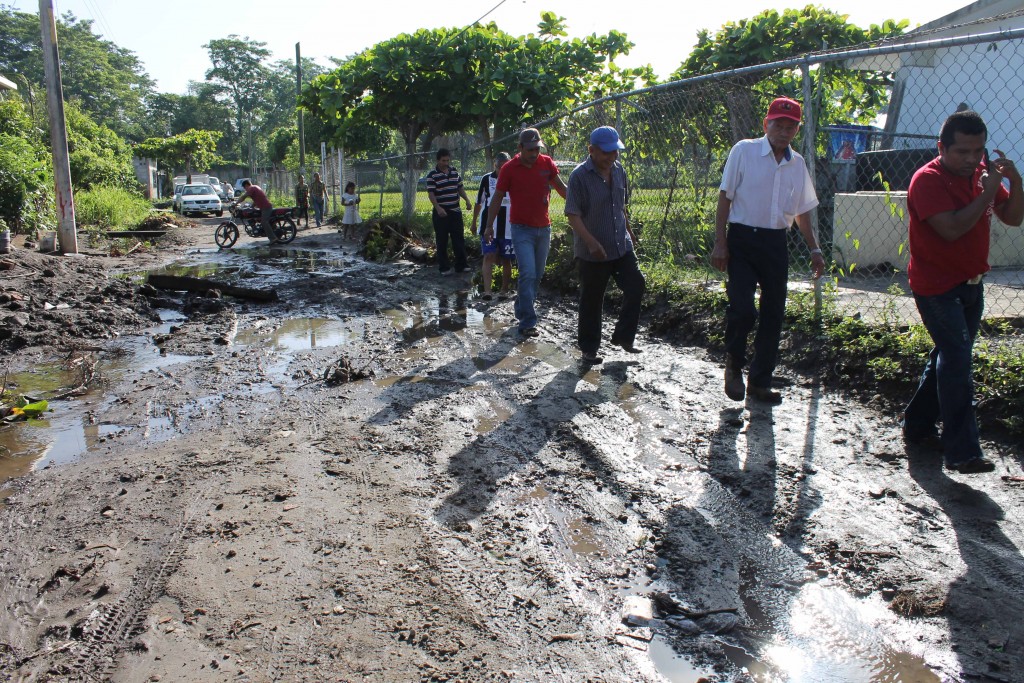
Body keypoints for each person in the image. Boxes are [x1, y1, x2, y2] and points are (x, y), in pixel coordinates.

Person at [902, 110, 1023, 474]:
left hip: (971, 284)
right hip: (936, 288)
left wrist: (1014, 182)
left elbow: (1014, 218)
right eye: (962, 152)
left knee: (949, 356)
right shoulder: (927, 180)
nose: (972, 159)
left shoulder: (980, 177)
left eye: (978, 151)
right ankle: (962, 451)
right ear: (942, 148)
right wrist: (987, 192)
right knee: (957, 361)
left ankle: (917, 425)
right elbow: (951, 230)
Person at [712, 97, 825, 404]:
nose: (784, 131)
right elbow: (725, 198)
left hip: (775, 243)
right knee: (743, 308)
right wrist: (720, 242)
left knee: (774, 313)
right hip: (743, 241)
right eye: (778, 125)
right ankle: (734, 365)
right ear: (766, 124)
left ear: (796, 130)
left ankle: (760, 382)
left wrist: (814, 249)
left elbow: (802, 213)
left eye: (791, 127)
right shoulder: (744, 151)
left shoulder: (796, 164)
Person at [564, 126, 646, 365]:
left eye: (615, 152)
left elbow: (620, 207)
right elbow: (572, 215)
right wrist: (591, 243)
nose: (611, 158)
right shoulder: (579, 177)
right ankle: (589, 349)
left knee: (636, 285)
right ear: (591, 150)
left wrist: (629, 233)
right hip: (593, 253)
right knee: (592, 298)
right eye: (606, 153)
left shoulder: (619, 171)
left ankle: (624, 336)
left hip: (621, 245)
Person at [485, 128, 568, 338]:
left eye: (537, 149)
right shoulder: (509, 169)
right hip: (521, 229)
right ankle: (528, 322)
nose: (534, 153)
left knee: (537, 275)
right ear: (520, 148)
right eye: (530, 149)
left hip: (544, 228)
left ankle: (521, 304)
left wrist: (581, 205)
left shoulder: (546, 163)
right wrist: (488, 226)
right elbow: (496, 198)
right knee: (527, 273)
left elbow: (561, 187)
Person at [472, 152, 515, 301]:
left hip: (509, 228)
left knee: (506, 259)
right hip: (488, 226)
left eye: (505, 167)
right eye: (499, 167)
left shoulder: (514, 179)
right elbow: (479, 202)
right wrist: (473, 222)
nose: (502, 170)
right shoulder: (486, 179)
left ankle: (504, 290)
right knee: (488, 256)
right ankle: (488, 291)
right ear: (495, 165)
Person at [426, 148, 473, 275]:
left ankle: (461, 265)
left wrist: (467, 200)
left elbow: (460, 188)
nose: (446, 163)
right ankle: (444, 267)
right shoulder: (432, 175)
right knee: (442, 240)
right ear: (438, 160)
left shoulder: (454, 172)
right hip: (441, 213)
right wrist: (438, 208)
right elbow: (431, 194)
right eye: (443, 160)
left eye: (447, 160)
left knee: (458, 238)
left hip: (455, 211)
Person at [236, 179, 276, 245]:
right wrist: (251, 206)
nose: (245, 189)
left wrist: (236, 203)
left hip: (266, 207)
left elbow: (244, 197)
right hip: (264, 207)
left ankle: (273, 238)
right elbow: (257, 199)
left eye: (244, 187)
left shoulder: (251, 188)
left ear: (246, 185)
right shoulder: (255, 187)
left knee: (264, 222)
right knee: (256, 218)